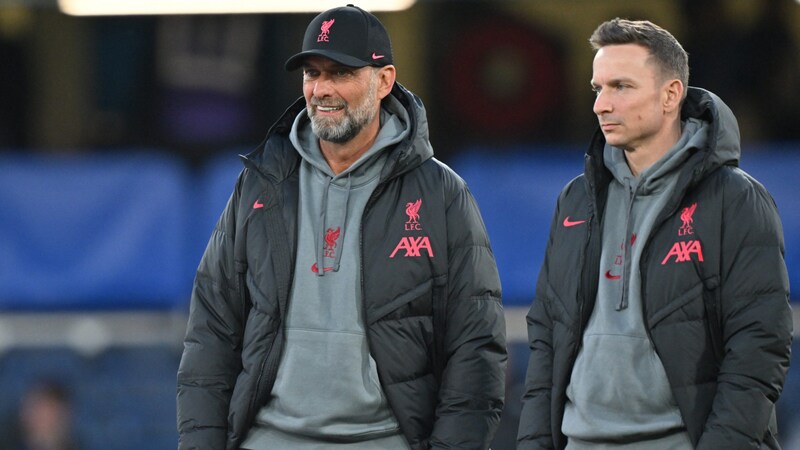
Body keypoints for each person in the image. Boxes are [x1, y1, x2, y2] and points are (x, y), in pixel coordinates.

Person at [176, 5, 507, 450]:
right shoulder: (262, 184)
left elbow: (476, 346)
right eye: (313, 73)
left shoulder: (440, 193)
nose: (322, 89)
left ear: (384, 80)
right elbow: (211, 333)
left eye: (341, 73)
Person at [517, 18, 792, 449]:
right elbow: (547, 334)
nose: (601, 105)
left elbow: (760, 346)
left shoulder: (734, 200)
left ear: (670, 95)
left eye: (620, 87)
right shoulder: (576, 200)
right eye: (598, 88)